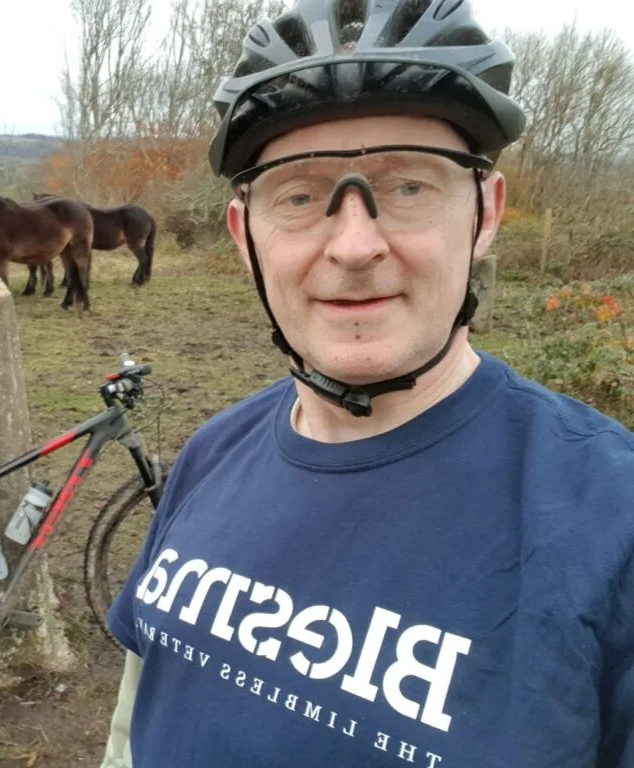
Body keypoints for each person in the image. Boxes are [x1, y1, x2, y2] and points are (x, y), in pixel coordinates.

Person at [99, 0, 634, 766]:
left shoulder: (612, 519)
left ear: (485, 213)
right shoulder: (212, 453)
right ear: (243, 237)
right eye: (299, 194)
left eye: (409, 186)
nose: (354, 245)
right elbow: (133, 725)